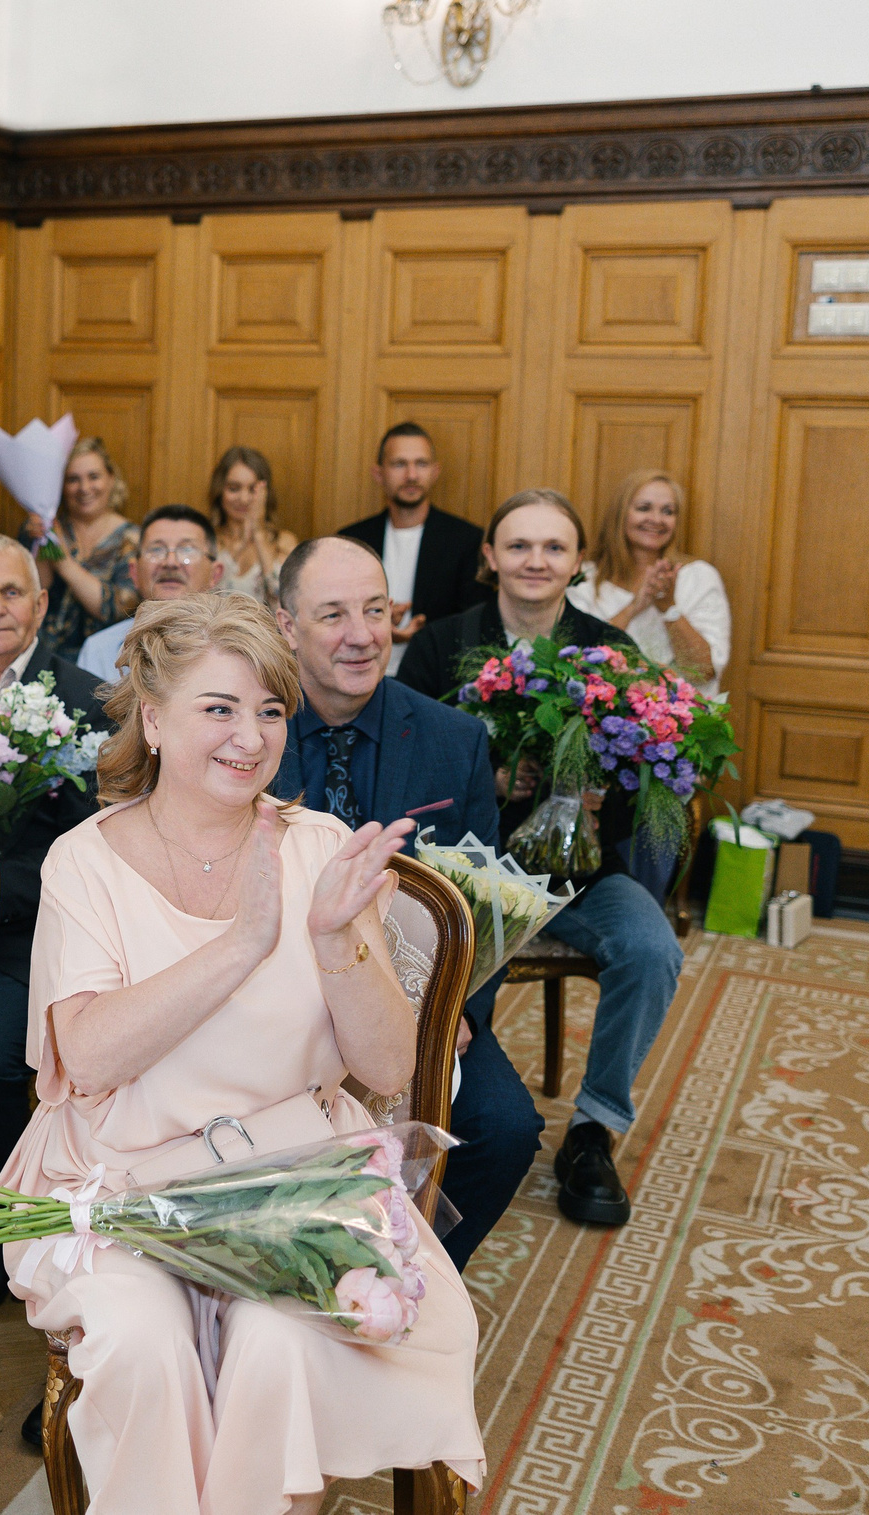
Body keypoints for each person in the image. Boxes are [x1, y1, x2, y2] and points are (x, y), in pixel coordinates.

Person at [1, 594, 483, 1512]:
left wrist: (339, 936)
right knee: (140, 1346)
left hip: (298, 1174)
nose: (250, 737)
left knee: (279, 1342)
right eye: (218, 708)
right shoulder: (84, 861)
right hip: (121, 1182)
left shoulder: (321, 849)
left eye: (269, 710)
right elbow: (91, 1056)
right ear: (152, 716)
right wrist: (243, 942)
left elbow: (386, 1070)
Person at [397, 490, 683, 1230]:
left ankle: (593, 1129)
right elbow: (409, 766)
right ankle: (428, 1109)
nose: (536, 560)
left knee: (652, 948)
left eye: (554, 547)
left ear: (579, 561)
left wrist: (598, 799)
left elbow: (646, 776)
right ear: (490, 557)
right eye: (519, 545)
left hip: (579, 875)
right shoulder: (441, 645)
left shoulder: (612, 652)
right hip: (463, 876)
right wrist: (485, 778)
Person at [270, 538, 543, 1269]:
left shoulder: (454, 740)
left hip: (417, 1004)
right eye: (332, 614)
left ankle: (404, 1275)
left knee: (506, 1127)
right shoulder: (248, 735)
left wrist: (456, 1009)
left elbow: (482, 907)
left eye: (375, 609)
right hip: (272, 1002)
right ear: (286, 626)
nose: (362, 634)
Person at [0, 534, 112, 1324]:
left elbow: (94, 843)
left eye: (13, 592)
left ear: (42, 606)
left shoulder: (86, 700)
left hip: (30, 930)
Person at [339, 423, 489, 676]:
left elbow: (473, 623)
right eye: (399, 464)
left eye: (421, 464)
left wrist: (421, 635)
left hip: (435, 678)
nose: (411, 475)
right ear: (379, 474)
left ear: (435, 471)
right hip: (357, 671)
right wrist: (379, 625)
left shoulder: (466, 540)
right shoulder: (350, 540)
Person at [573, 468, 731, 698]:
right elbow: (580, 663)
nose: (656, 520)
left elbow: (703, 672)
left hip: (679, 724)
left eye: (668, 511)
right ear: (620, 514)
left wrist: (669, 607)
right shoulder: (584, 579)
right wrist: (634, 607)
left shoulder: (699, 577)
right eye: (644, 508)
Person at [77, 504, 224, 684]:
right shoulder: (98, 650)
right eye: (156, 550)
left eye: (187, 550)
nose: (170, 562)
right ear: (134, 572)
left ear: (215, 574)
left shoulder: (234, 648)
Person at [24, 437, 140, 664]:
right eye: (73, 480)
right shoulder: (47, 528)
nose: (84, 488)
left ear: (111, 479)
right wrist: (42, 541)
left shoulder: (132, 539)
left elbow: (116, 609)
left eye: (94, 477)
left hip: (103, 663)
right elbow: (31, 593)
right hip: (40, 656)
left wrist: (64, 562)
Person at [210, 446, 298, 601]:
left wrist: (258, 535)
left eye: (252, 490)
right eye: (234, 488)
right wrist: (241, 545)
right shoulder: (208, 540)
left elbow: (285, 599)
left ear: (266, 494)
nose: (244, 499)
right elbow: (203, 594)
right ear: (220, 490)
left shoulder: (284, 541)